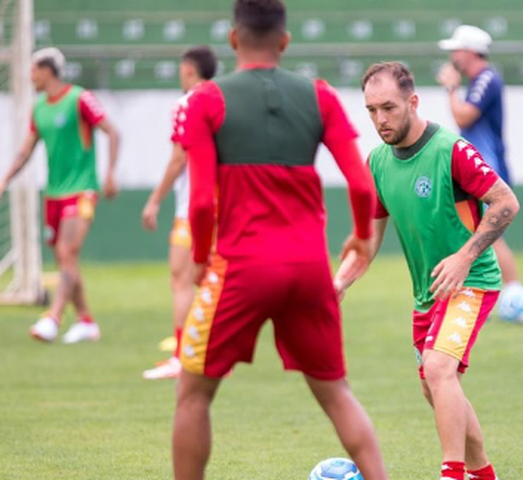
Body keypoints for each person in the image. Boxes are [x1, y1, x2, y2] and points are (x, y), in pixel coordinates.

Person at [170, 1, 389, 479]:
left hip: (241, 266)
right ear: (285, 41)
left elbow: (201, 202)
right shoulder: (319, 95)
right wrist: (360, 236)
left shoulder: (205, 100)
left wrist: (202, 258)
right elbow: (361, 185)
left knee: (193, 395)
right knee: (336, 392)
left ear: (233, 38)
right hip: (309, 270)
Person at [339, 61, 520, 480]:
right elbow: (368, 240)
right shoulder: (378, 162)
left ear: (413, 102)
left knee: (439, 370)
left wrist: (464, 257)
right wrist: (339, 281)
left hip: (472, 281)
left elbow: (506, 203)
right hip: (428, 292)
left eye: (389, 107)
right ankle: (483, 473)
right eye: (371, 110)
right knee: (433, 385)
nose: (380, 119)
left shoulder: (451, 150)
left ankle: (452, 473)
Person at [0, 47, 120, 344]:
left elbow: (112, 132)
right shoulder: (39, 107)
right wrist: (5, 179)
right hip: (53, 193)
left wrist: (110, 173)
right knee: (65, 259)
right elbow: (26, 150)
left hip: (81, 190)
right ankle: (86, 321)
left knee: (67, 253)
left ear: (47, 70)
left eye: (33, 70)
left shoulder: (79, 98)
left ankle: (53, 317)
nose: (30, 76)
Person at [141, 45, 218, 380]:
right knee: (215, 279)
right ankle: (214, 353)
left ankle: (182, 356)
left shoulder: (186, 104)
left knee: (182, 278)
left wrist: (155, 199)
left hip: (193, 207)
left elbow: (178, 158)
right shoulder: (224, 99)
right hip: (226, 206)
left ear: (188, 69)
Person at [436, 25, 520, 287]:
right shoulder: (480, 81)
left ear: (471, 52)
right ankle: (498, 289)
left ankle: (513, 291)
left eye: (457, 50)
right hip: (480, 168)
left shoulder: (486, 79)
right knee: (481, 233)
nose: (453, 57)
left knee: (491, 234)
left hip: (489, 169)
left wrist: (451, 89)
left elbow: (464, 116)